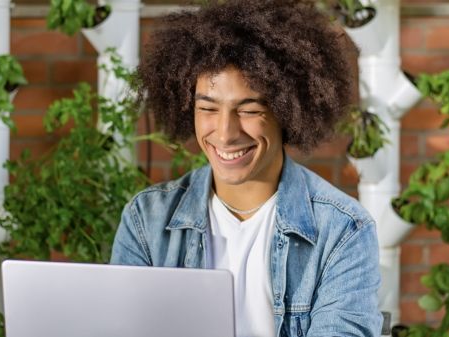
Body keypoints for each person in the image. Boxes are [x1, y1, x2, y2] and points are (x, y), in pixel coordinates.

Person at [110, 0, 383, 336]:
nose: (225, 133)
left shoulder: (342, 230)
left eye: (249, 109)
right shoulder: (147, 220)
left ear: (288, 110)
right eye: (208, 108)